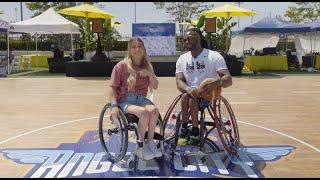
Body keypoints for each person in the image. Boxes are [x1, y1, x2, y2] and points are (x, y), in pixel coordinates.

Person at [175, 27, 233, 146]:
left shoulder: (213, 56)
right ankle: (186, 128)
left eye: (189, 39)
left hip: (208, 93)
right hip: (190, 92)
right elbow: (179, 81)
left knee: (191, 98)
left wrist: (216, 82)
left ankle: (195, 132)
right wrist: (187, 88)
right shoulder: (182, 59)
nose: (186, 41)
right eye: (184, 39)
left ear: (198, 38)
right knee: (186, 96)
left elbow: (228, 79)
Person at [108, 37, 162, 161]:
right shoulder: (121, 66)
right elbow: (112, 88)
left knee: (154, 110)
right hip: (124, 100)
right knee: (143, 113)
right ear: (129, 50)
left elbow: (155, 86)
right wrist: (114, 106)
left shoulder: (147, 66)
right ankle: (140, 146)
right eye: (133, 47)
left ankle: (150, 143)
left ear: (143, 49)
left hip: (141, 99)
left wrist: (149, 74)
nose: (137, 49)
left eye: (139, 46)